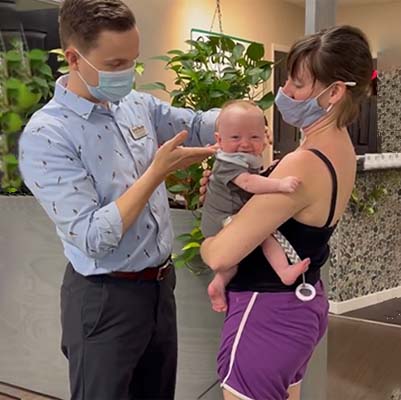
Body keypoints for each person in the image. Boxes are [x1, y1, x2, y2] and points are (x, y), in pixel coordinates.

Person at [18, 1, 217, 399]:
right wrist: (157, 172)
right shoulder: (47, 135)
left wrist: (241, 123)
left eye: (132, 62)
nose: (126, 74)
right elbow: (94, 236)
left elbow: (194, 124)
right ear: (74, 59)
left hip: (160, 288)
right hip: (104, 299)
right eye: (114, 64)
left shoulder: (134, 106)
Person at [200, 25, 374, 400]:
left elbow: (220, 253)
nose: (285, 94)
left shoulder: (302, 163)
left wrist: (212, 232)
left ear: (334, 92)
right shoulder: (339, 148)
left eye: (297, 84)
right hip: (300, 308)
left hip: (266, 312)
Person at [201, 100, 310, 312]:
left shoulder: (244, 159)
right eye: (235, 137)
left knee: (231, 263)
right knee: (263, 235)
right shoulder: (227, 162)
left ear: (265, 138)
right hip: (221, 217)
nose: (245, 143)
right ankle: (283, 270)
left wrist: (270, 171)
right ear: (219, 140)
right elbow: (249, 183)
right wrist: (279, 184)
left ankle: (218, 284)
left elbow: (254, 177)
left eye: (254, 137)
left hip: (228, 216)